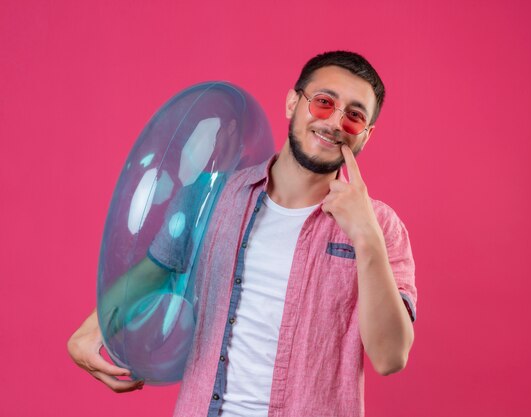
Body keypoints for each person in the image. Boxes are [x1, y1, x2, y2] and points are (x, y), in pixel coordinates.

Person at [68, 50, 417, 417]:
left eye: (354, 116)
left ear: (366, 135)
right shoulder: (211, 194)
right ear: (292, 103)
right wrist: (95, 329)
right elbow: (157, 271)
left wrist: (366, 237)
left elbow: (390, 356)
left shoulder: (382, 227)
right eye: (324, 103)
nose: (333, 122)